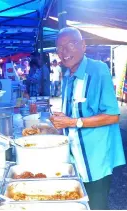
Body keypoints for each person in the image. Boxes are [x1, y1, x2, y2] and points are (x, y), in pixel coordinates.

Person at [50, 27, 125, 210]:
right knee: (79, 204)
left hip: (96, 158)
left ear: (83, 45)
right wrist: (63, 119)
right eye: (60, 47)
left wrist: (73, 122)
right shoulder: (67, 75)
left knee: (97, 205)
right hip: (75, 155)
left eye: (70, 45)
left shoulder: (98, 69)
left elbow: (113, 116)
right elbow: (74, 111)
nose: (64, 52)